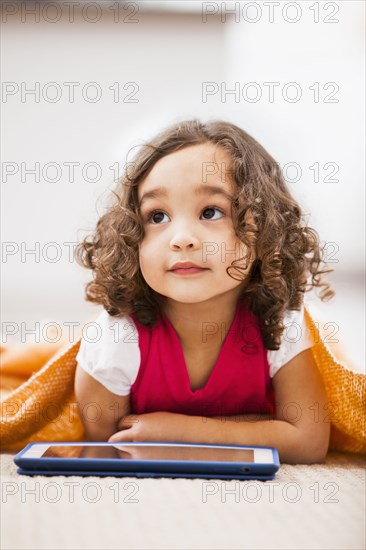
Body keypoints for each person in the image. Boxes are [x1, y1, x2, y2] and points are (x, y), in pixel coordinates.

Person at [73, 119, 335, 464]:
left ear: (267, 228)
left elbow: (308, 441)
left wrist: (180, 433)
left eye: (211, 212)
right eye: (157, 216)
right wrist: (259, 428)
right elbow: (109, 441)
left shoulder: (279, 321)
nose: (182, 238)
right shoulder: (116, 338)